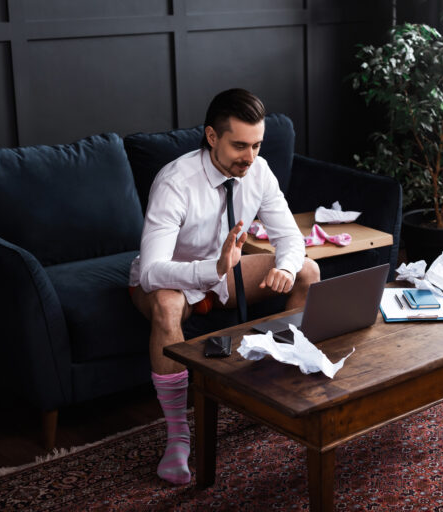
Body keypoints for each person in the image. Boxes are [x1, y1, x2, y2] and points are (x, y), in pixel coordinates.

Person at [128, 88, 320, 485]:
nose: (249, 157)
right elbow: (151, 271)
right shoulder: (174, 182)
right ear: (212, 137)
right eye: (239, 146)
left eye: (257, 145)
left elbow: (290, 238)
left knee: (307, 271)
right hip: (175, 277)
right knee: (165, 307)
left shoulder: (259, 171)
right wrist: (210, 270)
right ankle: (178, 437)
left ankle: (280, 393)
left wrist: (285, 266)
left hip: (225, 271)